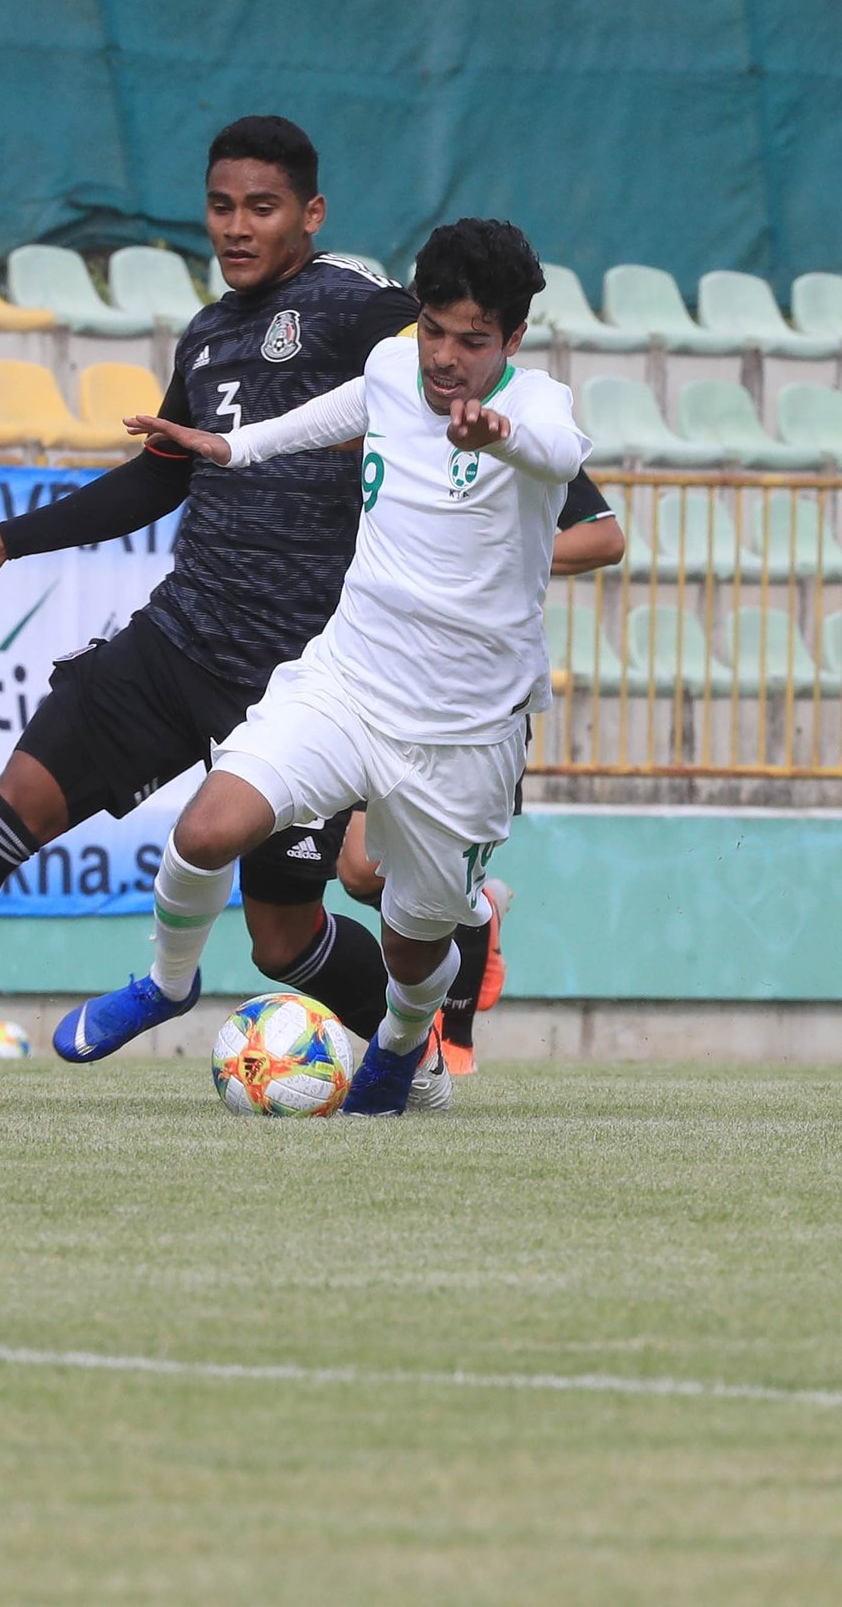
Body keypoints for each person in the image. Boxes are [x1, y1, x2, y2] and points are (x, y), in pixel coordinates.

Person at [0, 115, 418, 1103]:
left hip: (297, 684)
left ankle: (417, 1042)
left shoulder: (360, 310)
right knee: (3, 812)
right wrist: (3, 542)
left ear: (308, 214)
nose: (235, 227)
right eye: (220, 206)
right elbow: (154, 483)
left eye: (260, 208)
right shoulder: (211, 333)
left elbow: (449, 375)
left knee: (282, 939)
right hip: (175, 644)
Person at [57, 216, 588, 1116]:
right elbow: (346, 407)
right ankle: (167, 981)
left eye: (473, 340)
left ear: (513, 340)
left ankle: (401, 1040)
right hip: (346, 682)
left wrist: (495, 435)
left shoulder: (537, 408)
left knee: (416, 942)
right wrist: (233, 446)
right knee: (206, 831)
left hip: (463, 734)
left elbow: (559, 454)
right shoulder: (393, 366)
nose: (446, 357)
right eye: (434, 329)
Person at [335, 471, 626, 1075]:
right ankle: (481, 913)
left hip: (483, 698)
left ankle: (456, 1040)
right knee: (360, 871)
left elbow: (604, 539)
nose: (443, 369)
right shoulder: (389, 417)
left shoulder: (525, 432)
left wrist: (497, 566)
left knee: (445, 872)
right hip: (390, 685)